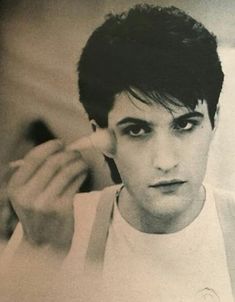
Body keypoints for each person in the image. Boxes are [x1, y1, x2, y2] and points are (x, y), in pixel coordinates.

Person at [2, 4, 235, 302]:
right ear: (100, 134)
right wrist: (42, 253)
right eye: (137, 130)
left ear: (215, 120)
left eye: (185, 124)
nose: (165, 161)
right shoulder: (48, 228)